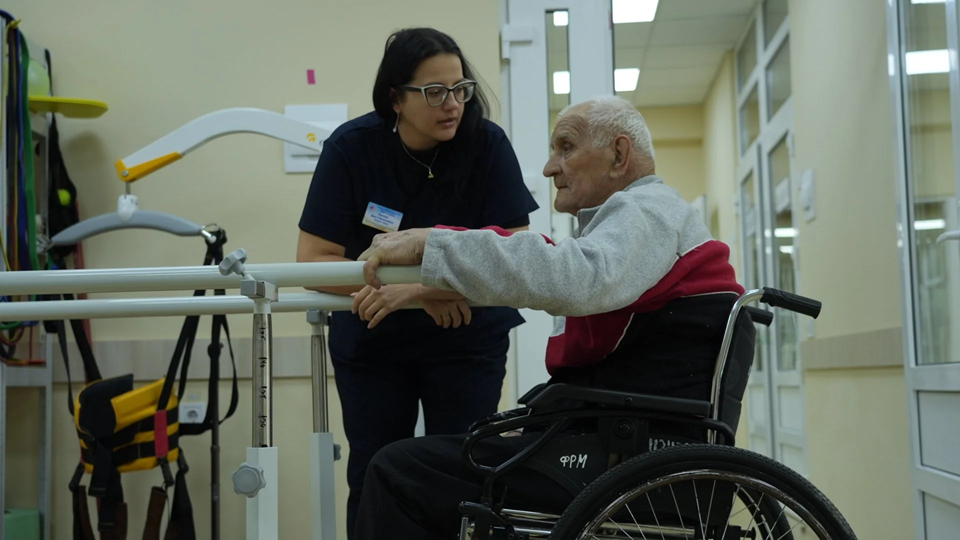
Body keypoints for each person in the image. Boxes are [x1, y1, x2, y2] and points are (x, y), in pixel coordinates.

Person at [350, 95, 748, 539]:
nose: (549, 167)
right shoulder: (646, 218)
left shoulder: (648, 210)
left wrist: (432, 243)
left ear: (619, 154)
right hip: (618, 440)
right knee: (435, 465)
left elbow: (578, 275)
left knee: (396, 470)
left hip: (621, 451)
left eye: (566, 147)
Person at [296, 27, 538, 537]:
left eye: (460, 88)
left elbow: (517, 251)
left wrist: (428, 291)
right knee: (376, 470)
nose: (452, 104)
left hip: (465, 333)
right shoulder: (352, 149)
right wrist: (401, 296)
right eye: (434, 92)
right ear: (395, 99)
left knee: (464, 472)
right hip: (375, 337)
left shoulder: (486, 145)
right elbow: (314, 258)